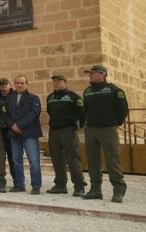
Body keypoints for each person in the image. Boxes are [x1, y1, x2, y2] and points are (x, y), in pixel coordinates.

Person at [82, 65, 128, 203]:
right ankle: (96, 190)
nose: (90, 75)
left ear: (102, 75)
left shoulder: (114, 90)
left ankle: (118, 190)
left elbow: (122, 109)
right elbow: (85, 110)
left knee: (112, 160)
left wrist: (115, 123)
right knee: (93, 161)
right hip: (91, 129)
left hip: (108, 129)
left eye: (92, 73)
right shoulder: (88, 91)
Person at [46, 75, 86, 196]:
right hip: (54, 131)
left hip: (68, 130)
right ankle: (60, 185)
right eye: (54, 81)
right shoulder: (50, 97)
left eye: (59, 81)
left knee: (73, 158)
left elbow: (82, 113)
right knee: (57, 159)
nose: (56, 83)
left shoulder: (73, 97)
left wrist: (77, 126)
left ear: (65, 82)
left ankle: (79, 186)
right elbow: (49, 112)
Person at [6, 75, 42, 194]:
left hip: (29, 133)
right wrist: (12, 126)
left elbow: (34, 114)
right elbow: (5, 114)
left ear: (26, 84)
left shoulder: (34, 98)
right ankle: (19, 184)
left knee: (34, 160)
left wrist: (19, 125)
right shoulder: (9, 98)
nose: (19, 85)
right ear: (14, 84)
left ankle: (36, 185)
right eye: (17, 83)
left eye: (22, 83)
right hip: (14, 134)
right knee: (16, 160)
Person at [0, 78, 15, 181]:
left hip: (11, 131)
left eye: (5, 84)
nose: (3, 87)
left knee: (13, 157)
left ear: (10, 85)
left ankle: (17, 180)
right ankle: (0, 180)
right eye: (1, 85)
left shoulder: (15, 96)